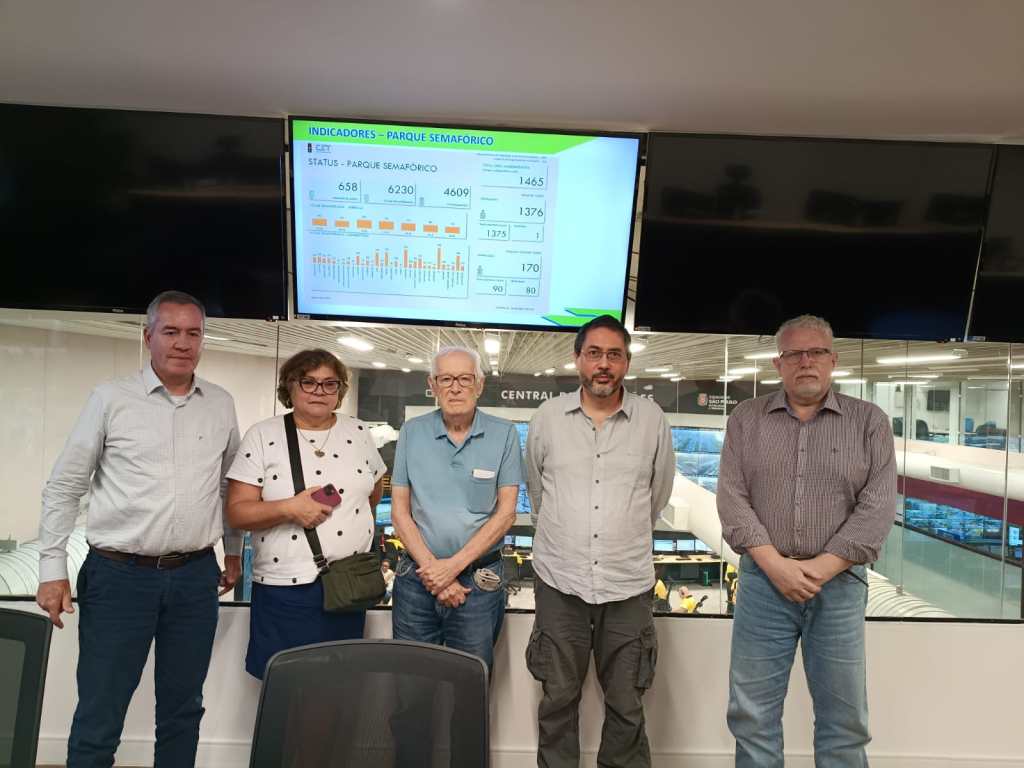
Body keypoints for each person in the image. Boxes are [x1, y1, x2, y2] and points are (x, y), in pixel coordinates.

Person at [36, 290, 242, 768]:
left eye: (193, 333)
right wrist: (51, 569)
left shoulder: (221, 403)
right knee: (100, 712)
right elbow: (65, 486)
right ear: (148, 337)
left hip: (194, 578)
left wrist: (232, 551)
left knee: (183, 710)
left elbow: (227, 487)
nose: (182, 343)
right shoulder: (111, 399)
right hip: (118, 577)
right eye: (170, 331)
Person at [717, 314, 897, 767]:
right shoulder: (746, 419)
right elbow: (732, 499)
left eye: (815, 352)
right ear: (778, 364)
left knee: (844, 722)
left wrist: (820, 568)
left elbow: (877, 508)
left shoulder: (869, 422)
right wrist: (776, 566)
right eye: (794, 354)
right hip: (763, 584)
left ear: (833, 360)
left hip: (838, 587)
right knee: (752, 716)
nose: (806, 362)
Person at [525, 314, 675, 768]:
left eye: (614, 355)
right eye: (594, 354)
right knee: (557, 699)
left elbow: (657, 496)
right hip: (559, 581)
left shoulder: (651, 420)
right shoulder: (548, 418)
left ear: (627, 362)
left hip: (627, 584)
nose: (603, 364)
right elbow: (537, 491)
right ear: (578, 360)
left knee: (627, 703)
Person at [225, 348, 385, 679]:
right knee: (288, 685)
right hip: (286, 590)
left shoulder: (358, 432)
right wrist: (289, 508)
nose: (318, 391)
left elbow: (372, 493)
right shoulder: (263, 435)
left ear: (340, 390)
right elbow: (238, 513)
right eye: (308, 382)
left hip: (348, 587)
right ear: (290, 386)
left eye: (329, 383)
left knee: (341, 682)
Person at [390, 345, 522, 670]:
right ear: (432, 385)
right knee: (411, 679)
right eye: (446, 379)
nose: (456, 387)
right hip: (417, 579)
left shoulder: (504, 434)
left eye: (465, 378)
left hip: (478, 581)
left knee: (470, 679)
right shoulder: (412, 432)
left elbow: (506, 514)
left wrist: (451, 569)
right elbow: (400, 513)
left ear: (479, 384)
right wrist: (436, 573)